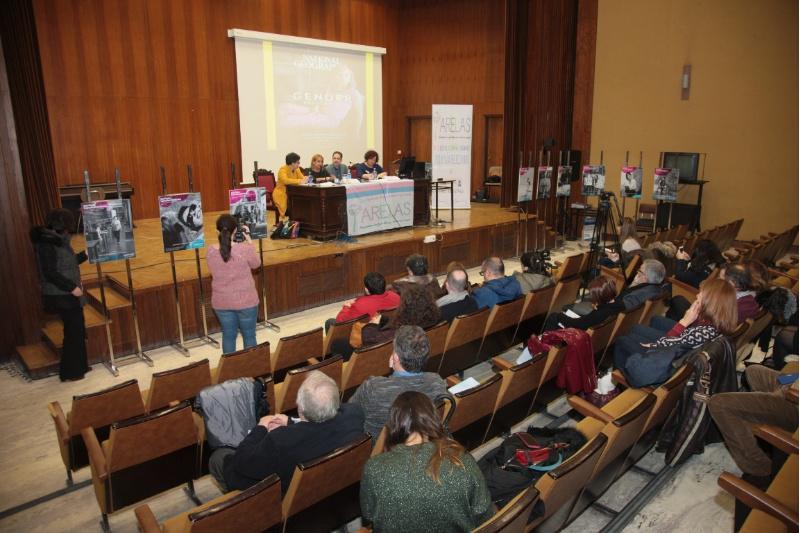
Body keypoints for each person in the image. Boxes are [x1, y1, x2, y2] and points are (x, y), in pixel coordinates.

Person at [210, 370, 365, 493]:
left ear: (300, 407)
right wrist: (291, 421)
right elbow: (319, 426)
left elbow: (242, 462)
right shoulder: (354, 415)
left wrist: (261, 427)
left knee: (218, 457)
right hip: (327, 487)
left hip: (280, 494)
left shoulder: (280, 440)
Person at [360, 391, 493, 532]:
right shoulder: (460, 458)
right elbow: (484, 513)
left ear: (394, 424)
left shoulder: (374, 468)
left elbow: (368, 515)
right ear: (432, 418)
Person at [613, 278, 738, 370]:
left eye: (701, 295)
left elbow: (667, 347)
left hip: (664, 364)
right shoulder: (714, 326)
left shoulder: (701, 333)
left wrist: (684, 322)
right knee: (636, 332)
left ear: (711, 303)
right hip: (672, 352)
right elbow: (677, 342)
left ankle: (616, 381)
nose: (697, 295)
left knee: (622, 341)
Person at [349, 325, 450, 439]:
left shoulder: (372, 387)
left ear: (396, 357)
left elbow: (350, 414)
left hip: (379, 452)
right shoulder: (436, 382)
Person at [708, 365, 798, 488]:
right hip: (794, 383)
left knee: (719, 404)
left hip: (795, 402)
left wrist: (785, 393)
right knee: (752, 372)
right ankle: (765, 438)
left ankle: (760, 470)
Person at [31, 209, 90, 381]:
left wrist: (84, 255)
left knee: (78, 330)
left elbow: (67, 264)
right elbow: (49, 272)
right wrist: (72, 287)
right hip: (61, 295)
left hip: (68, 293)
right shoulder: (47, 243)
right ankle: (71, 372)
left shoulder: (58, 240)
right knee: (73, 332)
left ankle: (80, 367)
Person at [206, 214, 260, 354]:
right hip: (246, 301)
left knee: (228, 336)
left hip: (221, 302)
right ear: (236, 230)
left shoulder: (210, 251)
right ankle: (253, 372)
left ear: (217, 231)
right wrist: (249, 241)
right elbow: (256, 264)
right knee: (249, 336)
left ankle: (229, 373)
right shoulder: (244, 249)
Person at [360, 284, 441, 348]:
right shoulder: (436, 320)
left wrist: (372, 325)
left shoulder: (397, 334)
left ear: (404, 307)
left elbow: (368, 336)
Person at [543, 275, 624, 331]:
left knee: (553, 317)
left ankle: (545, 347)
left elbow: (576, 324)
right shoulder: (620, 304)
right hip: (600, 335)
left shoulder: (599, 314)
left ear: (600, 297)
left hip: (581, 336)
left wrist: (560, 316)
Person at [333, 272, 400, 324]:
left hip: (366, 336)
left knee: (329, 322)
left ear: (367, 290)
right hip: (389, 331)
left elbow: (339, 320)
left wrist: (346, 307)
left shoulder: (359, 305)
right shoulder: (396, 297)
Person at [274, 152, 305, 219]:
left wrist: (306, 179)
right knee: (295, 204)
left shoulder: (297, 169)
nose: (299, 164)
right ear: (292, 163)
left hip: (293, 193)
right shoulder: (282, 170)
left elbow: (302, 178)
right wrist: (299, 181)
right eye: (297, 162)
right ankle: (292, 221)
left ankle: (300, 221)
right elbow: (285, 180)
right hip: (282, 193)